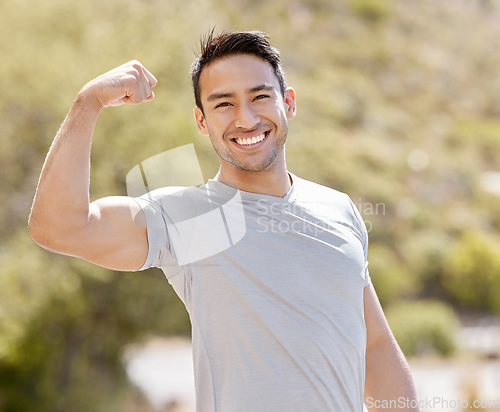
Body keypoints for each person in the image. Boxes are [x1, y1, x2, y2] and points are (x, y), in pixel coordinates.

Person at [29, 30, 419, 411]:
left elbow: (376, 346)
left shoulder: (339, 209)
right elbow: (59, 227)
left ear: (289, 102)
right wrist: (88, 102)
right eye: (223, 104)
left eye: (260, 97)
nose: (246, 119)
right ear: (202, 122)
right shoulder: (192, 218)